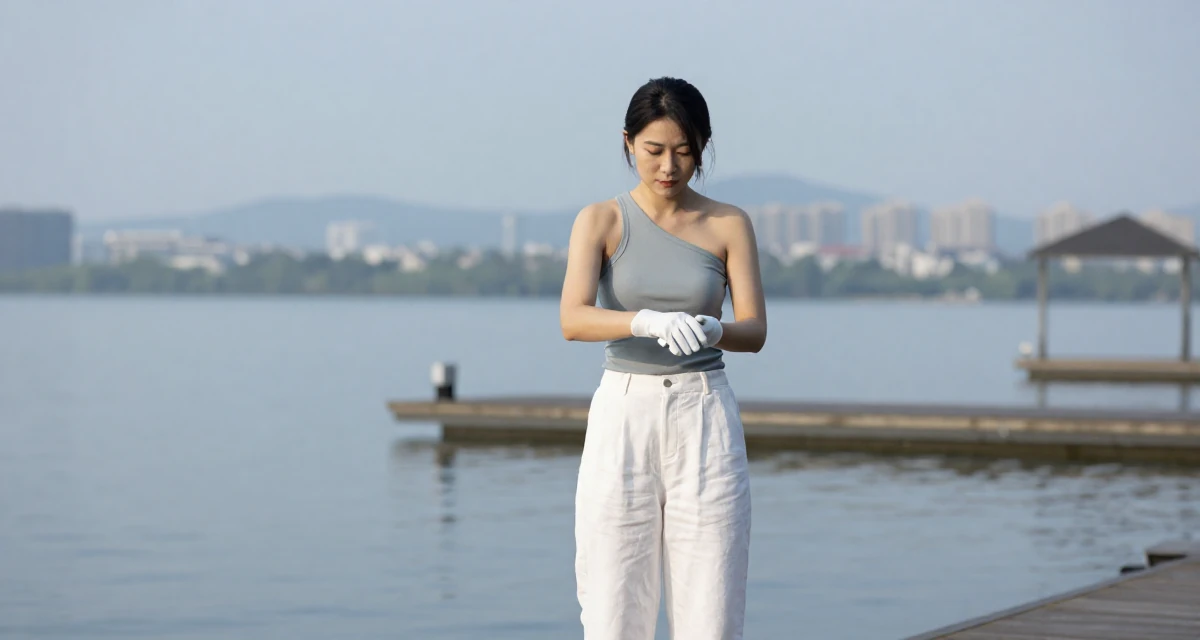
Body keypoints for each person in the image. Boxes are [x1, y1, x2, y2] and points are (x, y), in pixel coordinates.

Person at [559, 77, 768, 640]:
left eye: (684, 151)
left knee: (711, 610)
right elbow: (573, 319)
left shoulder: (728, 223)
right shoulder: (601, 220)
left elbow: (754, 331)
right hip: (624, 414)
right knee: (613, 607)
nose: (669, 166)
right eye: (653, 150)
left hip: (705, 417)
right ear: (628, 142)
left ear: (703, 147)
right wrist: (643, 321)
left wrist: (715, 329)